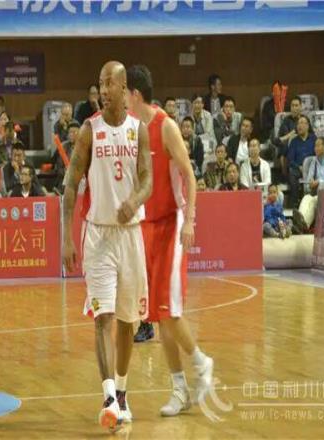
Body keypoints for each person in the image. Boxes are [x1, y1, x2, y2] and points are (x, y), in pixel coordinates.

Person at [62, 61, 152, 431]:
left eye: (108, 83)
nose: (102, 90)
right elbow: (70, 184)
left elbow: (147, 180)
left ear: (123, 87)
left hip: (129, 234)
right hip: (98, 235)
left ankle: (124, 392)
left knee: (129, 320)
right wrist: (66, 236)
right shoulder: (89, 130)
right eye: (100, 83)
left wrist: (135, 200)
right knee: (104, 318)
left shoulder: (138, 130)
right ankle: (109, 396)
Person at [127, 64, 214, 417]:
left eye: (123, 92)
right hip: (146, 227)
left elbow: (190, 176)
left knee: (170, 310)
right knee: (158, 315)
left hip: (172, 224)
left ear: (135, 94)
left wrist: (190, 220)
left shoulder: (166, 126)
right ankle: (179, 389)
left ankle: (202, 363)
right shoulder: (132, 130)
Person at [293, 139, 324, 234]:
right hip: (315, 192)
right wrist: (311, 183)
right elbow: (309, 179)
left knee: (314, 200)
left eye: (318, 146)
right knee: (307, 198)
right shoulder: (314, 161)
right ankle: (301, 222)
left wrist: (319, 182)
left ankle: (303, 225)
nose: (315, 148)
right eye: (315, 146)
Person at [287, 115, 316, 208]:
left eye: (302, 123)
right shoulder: (294, 141)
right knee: (292, 174)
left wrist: (310, 168)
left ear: (308, 126)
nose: (300, 125)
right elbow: (290, 159)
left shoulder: (314, 139)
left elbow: (317, 156)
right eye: (298, 123)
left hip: (312, 168)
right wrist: (299, 167)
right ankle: (295, 204)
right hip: (298, 168)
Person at [275, 96, 302, 174]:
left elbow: (311, 135)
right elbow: (282, 138)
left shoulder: (305, 119)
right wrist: (293, 133)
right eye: (292, 106)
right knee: (285, 146)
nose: (294, 108)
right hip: (289, 148)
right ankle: (285, 175)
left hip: (304, 146)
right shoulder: (286, 121)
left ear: (300, 107)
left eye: (296, 105)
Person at [52, 121, 80, 193]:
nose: (71, 134)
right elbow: (59, 168)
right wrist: (65, 172)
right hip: (66, 181)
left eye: (74, 132)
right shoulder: (63, 146)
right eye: (70, 132)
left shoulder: (84, 146)